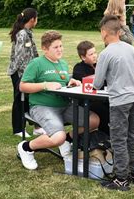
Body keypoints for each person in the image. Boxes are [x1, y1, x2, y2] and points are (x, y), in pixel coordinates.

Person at [17, 31, 100, 170]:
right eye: (56, 47)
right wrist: (44, 85)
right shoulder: (36, 63)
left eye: (61, 46)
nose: (60, 49)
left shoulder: (62, 63)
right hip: (42, 106)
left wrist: (72, 81)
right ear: (45, 48)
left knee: (93, 120)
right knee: (57, 137)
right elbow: (22, 86)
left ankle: (67, 140)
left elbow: (63, 80)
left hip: (65, 105)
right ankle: (26, 148)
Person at [94, 15, 134, 191]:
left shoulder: (106, 53)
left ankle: (121, 177)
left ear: (104, 32)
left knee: (118, 139)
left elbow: (97, 83)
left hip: (119, 101)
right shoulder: (130, 49)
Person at [7, 8, 45, 138]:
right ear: (32, 19)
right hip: (20, 73)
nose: (37, 20)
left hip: (28, 72)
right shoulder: (22, 34)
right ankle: (18, 128)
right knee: (19, 100)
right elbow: (19, 57)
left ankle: (37, 126)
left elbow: (32, 54)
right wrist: (25, 75)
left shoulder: (28, 32)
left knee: (32, 99)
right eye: (37, 18)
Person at [72, 40, 110, 134]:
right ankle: (105, 134)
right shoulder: (79, 68)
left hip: (101, 97)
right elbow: (88, 83)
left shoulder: (99, 66)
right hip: (86, 101)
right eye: (91, 54)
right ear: (83, 57)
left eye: (95, 52)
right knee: (103, 109)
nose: (94, 56)